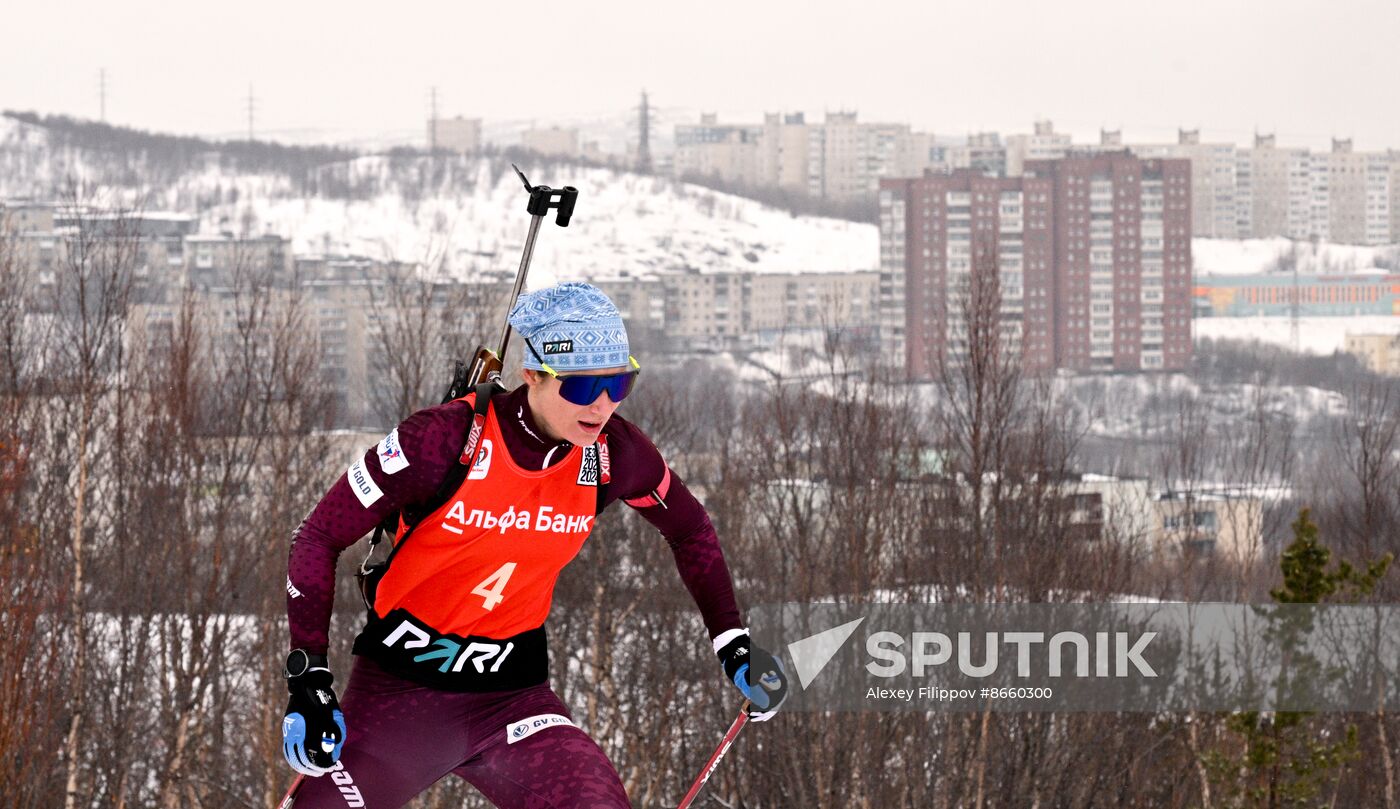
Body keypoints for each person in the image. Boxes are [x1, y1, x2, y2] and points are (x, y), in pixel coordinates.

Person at [280, 282, 789, 808]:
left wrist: (733, 642)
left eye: (619, 383)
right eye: (582, 389)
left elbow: (691, 530)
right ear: (533, 375)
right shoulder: (442, 441)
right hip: (398, 699)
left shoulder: (612, 455)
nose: (603, 406)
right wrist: (309, 676)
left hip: (513, 701)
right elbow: (318, 535)